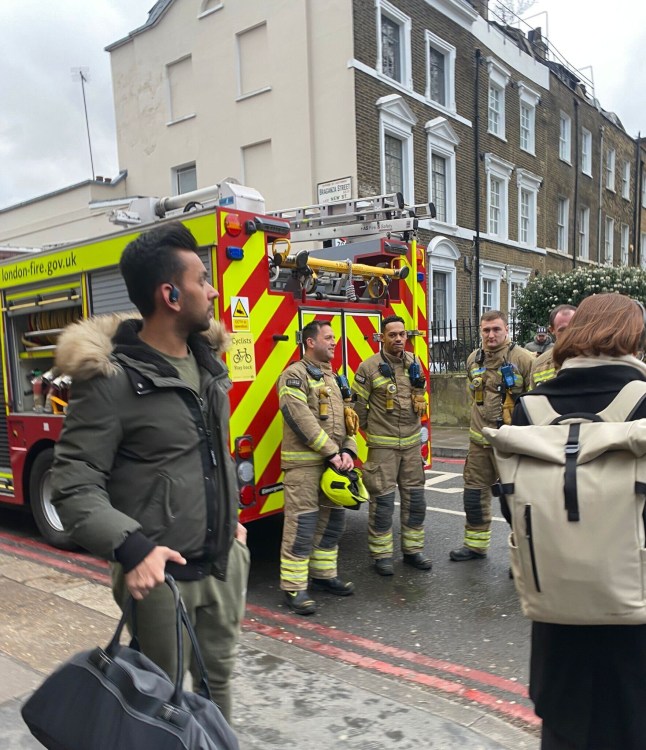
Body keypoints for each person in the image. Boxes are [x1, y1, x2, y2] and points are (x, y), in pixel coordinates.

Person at [50, 222, 249, 722]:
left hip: (225, 563)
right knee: (158, 702)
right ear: (171, 295)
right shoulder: (111, 379)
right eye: (202, 279)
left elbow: (209, 458)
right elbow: (74, 483)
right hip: (161, 581)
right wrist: (131, 548)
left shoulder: (208, 367)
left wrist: (233, 523)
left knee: (218, 685)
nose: (213, 289)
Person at [509, 293, 646, 750]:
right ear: (635, 337)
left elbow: (517, 511)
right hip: (635, 625)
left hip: (557, 624)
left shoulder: (530, 408)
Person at [277, 319, 357, 615]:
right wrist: (332, 451)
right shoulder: (293, 376)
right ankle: (294, 587)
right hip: (305, 466)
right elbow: (300, 419)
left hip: (333, 463)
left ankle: (324, 576)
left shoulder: (333, 378)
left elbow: (350, 418)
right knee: (303, 525)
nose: (334, 342)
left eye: (335, 337)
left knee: (334, 521)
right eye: (328, 337)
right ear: (310, 342)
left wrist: (349, 449)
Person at [449, 310, 533, 561]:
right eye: (486, 330)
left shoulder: (524, 359)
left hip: (511, 444)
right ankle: (475, 545)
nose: (491, 335)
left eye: (496, 329)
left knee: (516, 501)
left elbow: (533, 401)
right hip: (479, 442)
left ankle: (523, 556)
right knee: (474, 494)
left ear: (507, 330)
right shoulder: (473, 359)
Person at [351, 315, 432, 576]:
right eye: (392, 335)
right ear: (382, 338)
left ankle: (413, 551)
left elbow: (419, 395)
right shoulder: (368, 367)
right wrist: (375, 432)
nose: (398, 339)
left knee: (416, 500)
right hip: (383, 448)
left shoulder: (413, 363)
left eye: (402, 334)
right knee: (383, 503)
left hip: (410, 446)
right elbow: (357, 410)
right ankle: (382, 555)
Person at [530, 304, 576, 389]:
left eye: (573, 328)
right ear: (552, 330)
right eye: (562, 330)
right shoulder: (538, 364)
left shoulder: (592, 358)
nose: (569, 334)